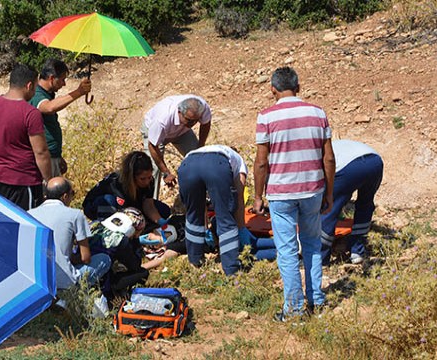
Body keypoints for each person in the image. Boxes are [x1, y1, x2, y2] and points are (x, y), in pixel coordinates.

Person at [253, 67, 335, 320]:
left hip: (281, 193)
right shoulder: (318, 113)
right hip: (312, 189)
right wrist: (329, 192)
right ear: (298, 88)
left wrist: (258, 196)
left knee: (287, 250)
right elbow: (329, 158)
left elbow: (261, 162)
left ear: (273, 90)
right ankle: (316, 301)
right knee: (311, 245)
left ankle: (294, 309)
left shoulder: (266, 117)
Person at [0, 64, 52, 210]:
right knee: (28, 224)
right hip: (24, 181)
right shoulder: (30, 113)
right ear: (29, 85)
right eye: (35, 87)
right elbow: (41, 152)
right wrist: (49, 180)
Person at [177, 144, 251, 276]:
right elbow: (239, 196)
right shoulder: (238, 161)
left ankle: (195, 260)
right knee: (225, 218)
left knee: (193, 216)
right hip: (215, 166)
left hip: (187, 165)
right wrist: (241, 228)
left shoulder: (202, 150)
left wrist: (205, 228)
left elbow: (200, 205)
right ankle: (231, 269)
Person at [28, 177, 111, 291]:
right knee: (104, 259)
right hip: (65, 283)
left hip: (38, 281)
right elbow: (85, 258)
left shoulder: (29, 214)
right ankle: (80, 293)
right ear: (65, 196)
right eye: (73, 193)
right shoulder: (75, 215)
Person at [321, 140, 383, 265]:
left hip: (348, 167)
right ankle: (358, 251)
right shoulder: (336, 145)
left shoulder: (314, 157)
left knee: (329, 210)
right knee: (365, 205)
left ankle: (320, 258)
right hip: (375, 162)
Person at [141, 95, 212, 198]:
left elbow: (206, 123)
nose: (192, 124)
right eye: (188, 120)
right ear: (179, 112)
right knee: (152, 169)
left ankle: (207, 196)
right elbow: (153, 145)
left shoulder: (202, 108)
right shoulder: (162, 119)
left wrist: (200, 146)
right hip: (155, 133)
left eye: (195, 121)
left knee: (199, 158)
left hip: (182, 132)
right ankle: (150, 203)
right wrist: (166, 172)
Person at [30, 59, 92, 176]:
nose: (64, 84)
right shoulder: (37, 94)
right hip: (44, 159)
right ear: (52, 78)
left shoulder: (47, 94)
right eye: (62, 79)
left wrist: (58, 156)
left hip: (52, 156)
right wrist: (78, 92)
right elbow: (48, 107)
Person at [83, 151, 171, 233]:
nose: (147, 182)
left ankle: (144, 230)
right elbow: (125, 212)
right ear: (131, 177)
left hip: (130, 205)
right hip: (101, 206)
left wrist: (160, 221)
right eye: (142, 179)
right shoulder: (117, 183)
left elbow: (148, 205)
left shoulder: (150, 182)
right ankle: (111, 231)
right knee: (109, 201)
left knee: (163, 210)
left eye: (149, 177)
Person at [88, 207, 149, 301]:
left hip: (81, 268)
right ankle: (120, 297)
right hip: (101, 280)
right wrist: (136, 240)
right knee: (142, 273)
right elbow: (135, 265)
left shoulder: (96, 224)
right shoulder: (120, 241)